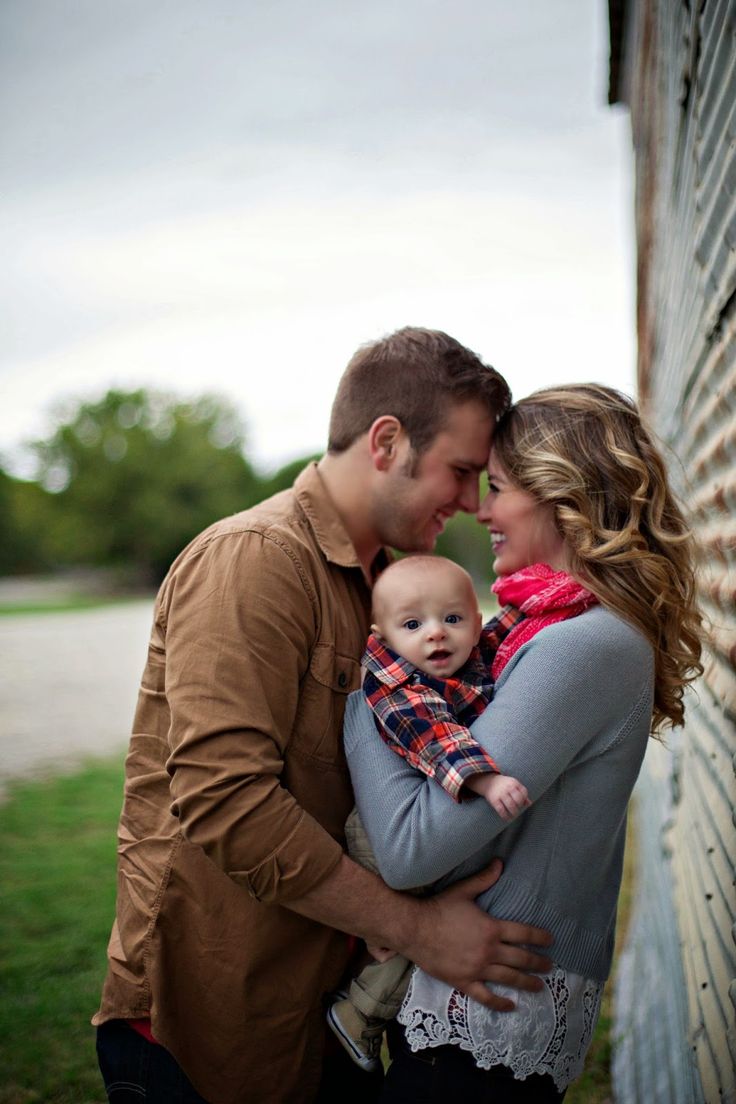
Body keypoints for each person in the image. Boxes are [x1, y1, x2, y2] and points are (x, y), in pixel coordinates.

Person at [93, 327, 556, 1104]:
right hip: (207, 1034)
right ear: (386, 442)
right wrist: (415, 931)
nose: (475, 503)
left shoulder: (392, 590)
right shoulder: (254, 559)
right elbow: (225, 801)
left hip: (317, 1019)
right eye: (463, 471)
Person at [344, 384, 703, 1102]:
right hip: (477, 1008)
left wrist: (368, 696)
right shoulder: (539, 632)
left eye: (499, 488)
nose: (480, 510)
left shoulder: (584, 646)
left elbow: (408, 847)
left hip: (482, 1030)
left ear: (560, 494)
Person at [328, 554, 534, 1072]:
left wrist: (540, 598)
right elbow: (434, 736)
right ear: (385, 634)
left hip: (418, 809)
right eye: (414, 624)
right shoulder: (398, 684)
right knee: (412, 930)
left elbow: (505, 626)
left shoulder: (465, 653)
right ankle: (359, 1012)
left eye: (453, 618)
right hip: (382, 831)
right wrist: (486, 779)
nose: (437, 636)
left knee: (426, 920)